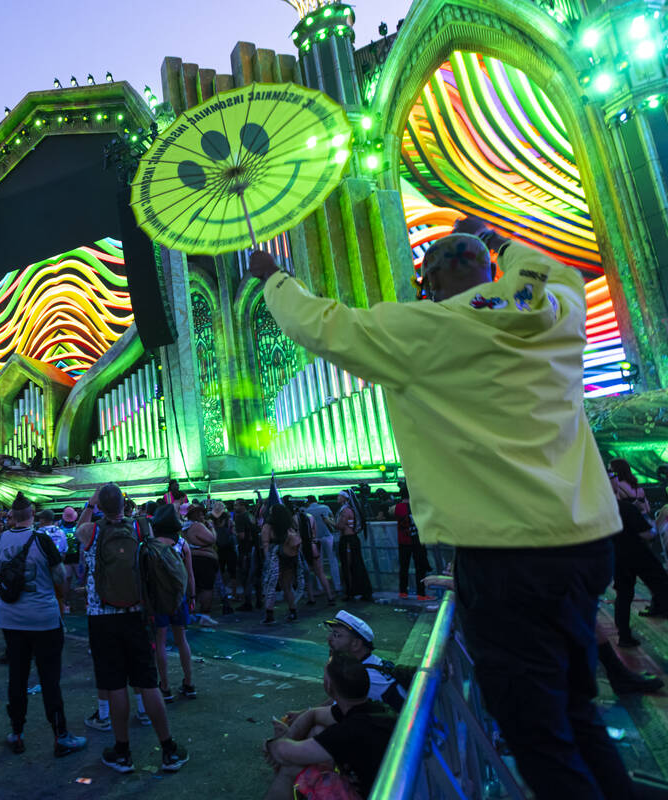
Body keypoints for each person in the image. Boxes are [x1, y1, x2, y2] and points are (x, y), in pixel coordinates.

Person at [249, 216, 634, 798]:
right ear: (490, 268)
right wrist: (503, 243)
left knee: (539, 736)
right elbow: (556, 269)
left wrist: (273, 277)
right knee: (578, 709)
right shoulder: (557, 306)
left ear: (427, 284)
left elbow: (322, 325)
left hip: (507, 558)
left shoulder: (425, 329)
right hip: (585, 544)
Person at [78, 483, 188, 773]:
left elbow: (79, 529)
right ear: (125, 505)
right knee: (148, 683)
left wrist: (91, 505)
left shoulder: (92, 532)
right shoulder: (142, 529)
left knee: (115, 686)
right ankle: (168, 749)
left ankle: (123, 752)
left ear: (101, 505)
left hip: (102, 617)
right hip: (137, 614)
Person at [0, 494, 86, 757]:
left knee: (17, 677)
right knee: (49, 679)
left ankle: (17, 733)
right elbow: (60, 576)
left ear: (12, 516)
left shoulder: (1, 539)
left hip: (11, 618)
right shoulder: (42, 540)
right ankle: (60, 736)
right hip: (43, 618)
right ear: (32, 515)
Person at [264, 653, 398, 800]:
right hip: (392, 786)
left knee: (290, 768)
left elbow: (285, 753)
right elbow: (313, 714)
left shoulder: (349, 730)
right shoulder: (371, 709)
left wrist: (271, 744)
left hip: (373, 795)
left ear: (329, 686)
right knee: (317, 730)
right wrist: (290, 736)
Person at [610, 469, 668, 646]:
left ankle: (624, 637)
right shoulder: (627, 508)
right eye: (613, 478)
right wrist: (656, 521)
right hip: (639, 555)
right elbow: (648, 534)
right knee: (662, 586)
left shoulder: (604, 509)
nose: (617, 480)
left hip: (617, 557)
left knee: (624, 596)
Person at [149, 504, 197, 703]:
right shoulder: (182, 544)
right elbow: (189, 574)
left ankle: (165, 687)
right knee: (182, 639)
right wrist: (192, 596)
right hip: (179, 598)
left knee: (160, 642)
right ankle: (189, 683)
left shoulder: (150, 545)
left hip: (157, 599)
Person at [391, 484, 430, 598]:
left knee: (404, 567)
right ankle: (421, 594)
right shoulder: (418, 506)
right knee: (420, 568)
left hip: (403, 542)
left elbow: (392, 513)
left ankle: (403, 592)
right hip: (417, 541)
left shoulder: (397, 507)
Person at [264, 503, 301, 623]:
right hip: (290, 556)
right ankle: (293, 611)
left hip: (276, 556)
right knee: (287, 586)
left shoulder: (269, 525)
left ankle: (269, 614)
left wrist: (267, 559)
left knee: (271, 586)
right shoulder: (290, 524)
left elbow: (265, 543)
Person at [334, 490, 373, 602]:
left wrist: (328, 521)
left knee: (348, 565)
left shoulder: (345, 511)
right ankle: (361, 591)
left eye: (339, 496)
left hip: (348, 540)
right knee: (356, 564)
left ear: (345, 498)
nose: (337, 497)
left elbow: (340, 526)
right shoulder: (349, 509)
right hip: (352, 539)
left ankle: (351, 592)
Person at [182, 503, 218, 615]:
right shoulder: (197, 526)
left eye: (202, 512)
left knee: (195, 587)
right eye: (199, 513)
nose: (202, 514)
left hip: (194, 559)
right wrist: (211, 526)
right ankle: (204, 614)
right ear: (194, 515)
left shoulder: (185, 527)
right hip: (204, 561)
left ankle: (192, 613)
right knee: (206, 588)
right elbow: (212, 539)